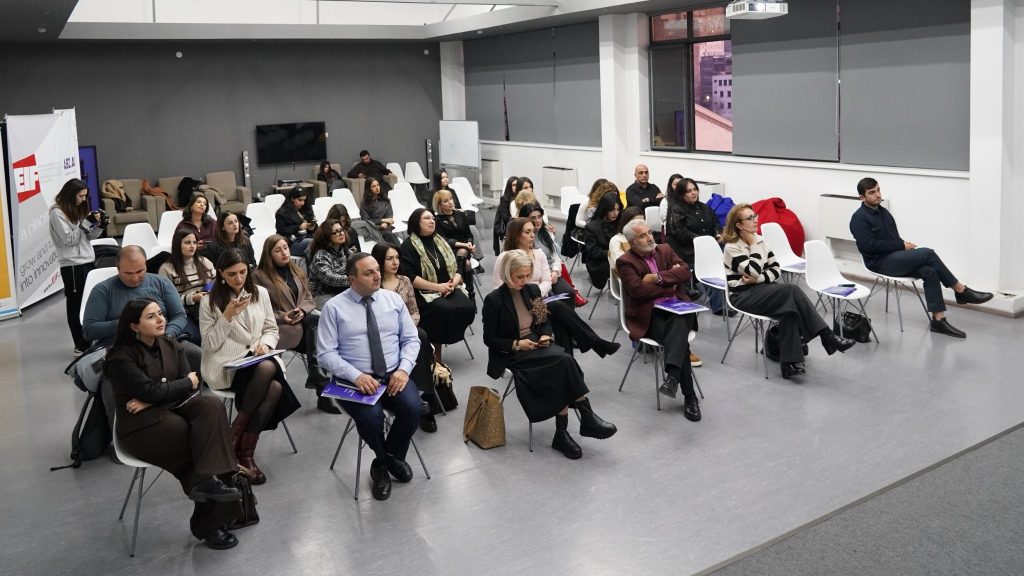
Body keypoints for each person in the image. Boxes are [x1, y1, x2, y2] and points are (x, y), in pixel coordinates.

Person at [105, 299, 242, 550]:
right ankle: (212, 522)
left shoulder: (171, 344)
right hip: (141, 428)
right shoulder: (120, 358)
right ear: (134, 326)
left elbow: (190, 389)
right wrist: (169, 389)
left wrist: (153, 398)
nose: (161, 319)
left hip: (170, 409)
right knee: (200, 439)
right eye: (151, 317)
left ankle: (205, 485)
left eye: (160, 313)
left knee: (212, 406)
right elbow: (183, 384)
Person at [483, 249, 617, 460]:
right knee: (564, 361)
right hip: (513, 352)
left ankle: (567, 430)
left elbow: (543, 320)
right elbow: (489, 339)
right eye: (519, 276)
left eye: (527, 275)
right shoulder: (494, 300)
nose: (524, 281)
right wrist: (517, 344)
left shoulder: (532, 290)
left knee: (564, 362)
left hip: (536, 344)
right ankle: (581, 419)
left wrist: (545, 335)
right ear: (507, 273)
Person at [317, 253, 422, 501]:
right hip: (353, 380)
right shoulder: (334, 308)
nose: (377, 276)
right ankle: (388, 462)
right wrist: (356, 376)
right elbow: (325, 354)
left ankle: (384, 462)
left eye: (377, 270)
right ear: (351, 279)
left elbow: (411, 339)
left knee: (413, 408)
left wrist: (403, 369)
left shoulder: (393, 300)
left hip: (393, 373)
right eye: (368, 273)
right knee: (372, 417)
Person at [200, 249, 301, 484]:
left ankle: (239, 446)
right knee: (270, 375)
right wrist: (227, 316)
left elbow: (271, 329)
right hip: (225, 365)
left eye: (243, 272)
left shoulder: (260, 293)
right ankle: (240, 449)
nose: (238, 278)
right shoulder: (208, 302)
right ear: (220, 273)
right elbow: (210, 345)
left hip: (255, 359)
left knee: (273, 383)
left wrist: (265, 344)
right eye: (232, 274)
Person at [723, 204, 855, 379]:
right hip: (742, 295)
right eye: (750, 218)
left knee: (789, 310)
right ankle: (827, 336)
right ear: (739, 225)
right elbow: (753, 270)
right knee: (791, 290)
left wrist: (759, 279)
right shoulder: (732, 247)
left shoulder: (761, 241)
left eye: (755, 216)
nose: (756, 220)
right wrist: (754, 247)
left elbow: (776, 269)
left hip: (763, 289)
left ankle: (789, 364)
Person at [850, 177, 992, 338]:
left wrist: (903, 248)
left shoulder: (884, 213)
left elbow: (893, 238)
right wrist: (901, 246)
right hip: (879, 262)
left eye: (878, 190)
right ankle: (961, 291)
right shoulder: (859, 218)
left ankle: (938, 321)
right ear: (862, 197)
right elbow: (869, 247)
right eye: (872, 192)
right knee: (927, 253)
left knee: (929, 270)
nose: (877, 194)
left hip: (895, 258)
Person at [495, 218, 620, 358]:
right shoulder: (504, 258)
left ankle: (570, 360)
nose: (532, 235)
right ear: (516, 235)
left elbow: (547, 281)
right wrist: (527, 294)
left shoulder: (539, 253)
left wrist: (535, 294)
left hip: (540, 301)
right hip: (517, 305)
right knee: (557, 307)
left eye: (533, 231)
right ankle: (594, 344)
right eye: (527, 232)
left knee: (561, 320)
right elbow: (498, 288)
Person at [617, 220, 703, 420]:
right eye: (642, 236)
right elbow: (638, 291)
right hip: (649, 314)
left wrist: (656, 278)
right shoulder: (625, 261)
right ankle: (690, 397)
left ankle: (673, 379)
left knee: (678, 324)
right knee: (680, 341)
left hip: (678, 308)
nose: (649, 238)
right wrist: (671, 283)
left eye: (649, 232)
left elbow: (685, 272)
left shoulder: (665, 249)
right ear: (632, 242)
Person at [253, 234, 338, 414]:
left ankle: (320, 382)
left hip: (303, 326)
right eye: (278, 250)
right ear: (269, 254)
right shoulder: (259, 276)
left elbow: (308, 298)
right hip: (278, 328)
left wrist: (302, 310)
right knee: (317, 327)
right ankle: (322, 388)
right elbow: (257, 310)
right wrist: (282, 316)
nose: (284, 253)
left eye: (285, 247)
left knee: (317, 325)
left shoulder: (297, 271)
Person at [83, 245, 202, 368]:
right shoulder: (103, 290)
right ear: (118, 269)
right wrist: (125, 323)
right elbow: (89, 331)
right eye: (128, 273)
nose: (135, 278)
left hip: (162, 339)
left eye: (140, 271)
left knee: (195, 354)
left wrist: (166, 336)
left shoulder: (161, 283)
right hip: (121, 345)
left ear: (146, 265)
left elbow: (179, 315)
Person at [373, 242, 442, 433]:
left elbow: (414, 311)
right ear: (379, 261)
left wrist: (407, 328)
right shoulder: (374, 284)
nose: (395, 262)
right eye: (389, 258)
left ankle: (424, 398)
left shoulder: (404, 281)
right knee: (420, 339)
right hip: (384, 335)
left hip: (408, 330)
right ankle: (423, 401)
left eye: (397, 257)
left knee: (419, 336)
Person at [399, 208, 477, 363]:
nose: (432, 221)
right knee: (443, 310)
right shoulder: (409, 245)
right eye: (427, 218)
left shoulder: (440, 241)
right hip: (423, 293)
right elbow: (410, 277)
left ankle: (445, 339)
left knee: (468, 307)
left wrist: (453, 283)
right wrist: (438, 287)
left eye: (433, 218)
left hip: (448, 288)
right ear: (416, 222)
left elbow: (456, 268)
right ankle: (435, 353)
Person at [48, 177, 103, 354]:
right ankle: (80, 345)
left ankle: (89, 339)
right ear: (70, 195)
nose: (84, 199)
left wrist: (99, 226)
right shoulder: (57, 213)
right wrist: (85, 223)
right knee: (76, 304)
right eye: (81, 196)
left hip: (87, 261)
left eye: (85, 196)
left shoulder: (76, 210)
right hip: (72, 266)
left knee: (90, 303)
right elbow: (69, 240)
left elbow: (88, 238)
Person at [664, 177, 726, 316]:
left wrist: (717, 234)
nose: (694, 193)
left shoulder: (704, 207)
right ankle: (719, 305)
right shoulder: (676, 210)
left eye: (695, 189)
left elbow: (716, 223)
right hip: (687, 250)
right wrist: (703, 241)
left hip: (707, 247)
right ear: (681, 194)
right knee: (711, 262)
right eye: (689, 191)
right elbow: (681, 234)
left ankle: (732, 295)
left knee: (727, 253)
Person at [519, 202, 587, 306]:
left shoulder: (546, 232)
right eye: (533, 218)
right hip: (535, 276)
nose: (537, 220)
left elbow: (555, 256)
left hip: (551, 273)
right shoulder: (522, 237)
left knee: (568, 293)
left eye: (539, 217)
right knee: (551, 300)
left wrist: (555, 271)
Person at [158, 227, 215, 345]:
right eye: (187, 242)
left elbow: (215, 282)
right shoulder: (167, 269)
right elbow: (166, 300)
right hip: (183, 311)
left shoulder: (204, 261)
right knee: (196, 339)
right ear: (177, 244)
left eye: (194, 242)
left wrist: (210, 291)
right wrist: (192, 298)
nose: (192, 246)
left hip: (207, 306)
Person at [432, 189, 477, 298]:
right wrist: (464, 245)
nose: (450, 202)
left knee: (464, 253)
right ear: (439, 205)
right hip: (449, 250)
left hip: (465, 249)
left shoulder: (461, 214)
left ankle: (462, 285)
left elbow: (469, 234)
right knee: (467, 264)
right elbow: (444, 240)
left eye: (451, 199)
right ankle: (469, 292)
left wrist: (470, 244)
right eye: (446, 201)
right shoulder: (437, 220)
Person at [307, 219, 354, 305]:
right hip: (323, 295)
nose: (341, 233)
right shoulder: (321, 255)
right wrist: (354, 279)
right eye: (336, 232)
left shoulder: (346, 251)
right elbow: (330, 278)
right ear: (326, 236)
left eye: (341, 230)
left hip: (342, 290)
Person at [582, 191, 623, 289]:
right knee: (625, 267)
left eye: (618, 209)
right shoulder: (591, 227)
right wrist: (614, 253)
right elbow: (594, 252)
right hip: (599, 262)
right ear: (605, 209)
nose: (616, 213)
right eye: (612, 210)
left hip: (618, 256)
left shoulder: (620, 222)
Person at [275, 186, 316, 256]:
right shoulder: (282, 213)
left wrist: (312, 227)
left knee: (323, 239)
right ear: (292, 199)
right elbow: (281, 230)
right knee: (312, 243)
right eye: (300, 200)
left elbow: (313, 222)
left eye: (304, 200)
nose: (303, 203)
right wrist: (299, 227)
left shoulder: (306, 209)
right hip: (292, 242)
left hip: (307, 237)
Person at [359, 177, 400, 244]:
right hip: (372, 229)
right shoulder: (364, 203)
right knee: (390, 236)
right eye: (373, 186)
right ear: (368, 189)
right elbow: (366, 221)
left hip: (385, 227)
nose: (377, 188)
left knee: (391, 236)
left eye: (378, 185)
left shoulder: (385, 200)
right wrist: (382, 221)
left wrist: (386, 223)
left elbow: (389, 216)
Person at [493, 176, 519, 255]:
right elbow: (505, 217)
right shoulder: (505, 199)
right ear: (509, 186)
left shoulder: (522, 198)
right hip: (508, 227)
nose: (516, 187)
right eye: (514, 185)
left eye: (517, 185)